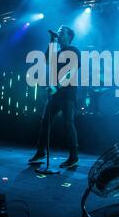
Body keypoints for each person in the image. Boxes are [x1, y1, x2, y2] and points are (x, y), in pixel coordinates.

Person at [28, 25, 81, 168]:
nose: (58, 33)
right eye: (58, 32)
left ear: (69, 36)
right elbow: (45, 61)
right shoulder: (57, 52)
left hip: (67, 93)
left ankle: (74, 156)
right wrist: (51, 40)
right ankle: (40, 153)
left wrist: (56, 87)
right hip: (55, 94)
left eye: (62, 32)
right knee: (45, 122)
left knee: (68, 123)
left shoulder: (74, 51)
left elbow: (70, 72)